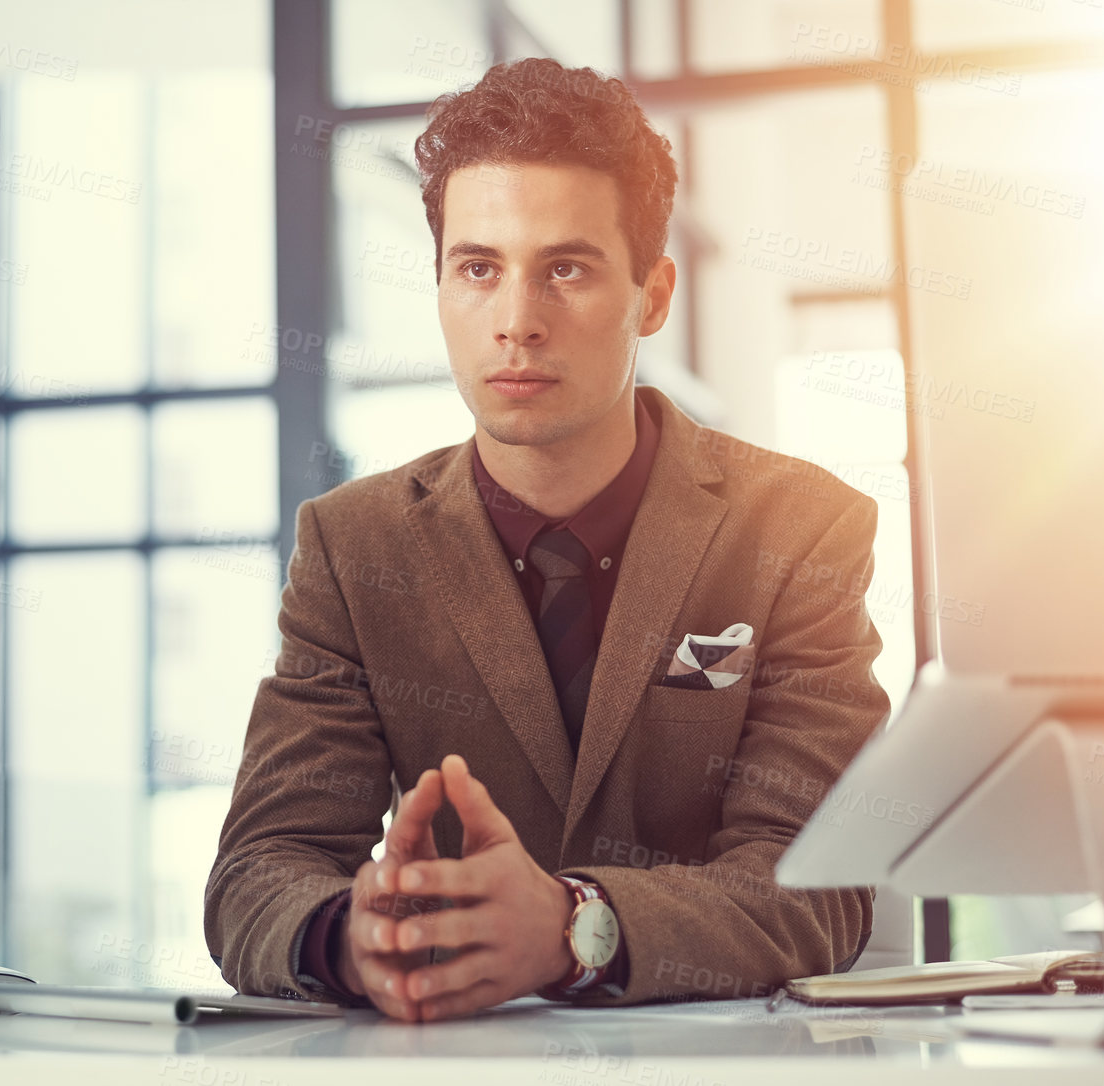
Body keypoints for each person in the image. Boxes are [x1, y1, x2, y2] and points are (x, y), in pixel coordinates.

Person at [204, 57, 888, 1022]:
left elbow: (815, 888)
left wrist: (576, 926)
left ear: (653, 295)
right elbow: (257, 873)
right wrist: (348, 937)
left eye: (565, 269)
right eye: (478, 269)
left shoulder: (799, 526)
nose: (516, 323)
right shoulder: (354, 548)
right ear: (441, 284)